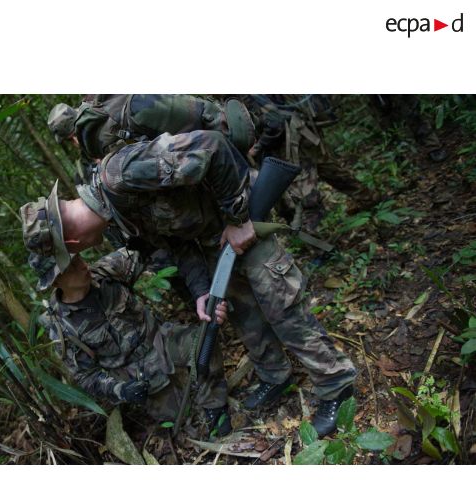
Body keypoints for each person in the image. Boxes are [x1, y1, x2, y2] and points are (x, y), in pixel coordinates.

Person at [20, 130, 357, 436]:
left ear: (73, 245)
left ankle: (336, 388)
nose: (84, 259)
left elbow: (212, 145)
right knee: (243, 312)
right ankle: (275, 376)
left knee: (280, 303)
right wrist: (200, 291)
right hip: (214, 242)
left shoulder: (120, 175)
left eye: (75, 255)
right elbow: (175, 242)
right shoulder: (116, 216)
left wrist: (239, 218)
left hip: (240, 219)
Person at [27, 245, 232, 438]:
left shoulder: (108, 270)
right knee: (181, 418)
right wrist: (121, 390)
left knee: (205, 342)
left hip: (160, 339)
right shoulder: (61, 327)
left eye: (78, 258)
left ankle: (215, 406)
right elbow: (85, 376)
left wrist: (199, 290)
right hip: (138, 373)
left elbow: (151, 245)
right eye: (71, 267)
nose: (82, 265)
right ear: (55, 281)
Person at [242, 94, 378, 226]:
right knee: (330, 170)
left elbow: (275, 123)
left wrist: (257, 147)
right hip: (305, 130)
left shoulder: (244, 95)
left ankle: (316, 243)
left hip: (292, 143)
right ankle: (369, 198)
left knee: (305, 198)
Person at [47, 94, 255, 164]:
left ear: (72, 137)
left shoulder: (98, 152)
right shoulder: (122, 107)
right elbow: (202, 113)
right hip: (225, 156)